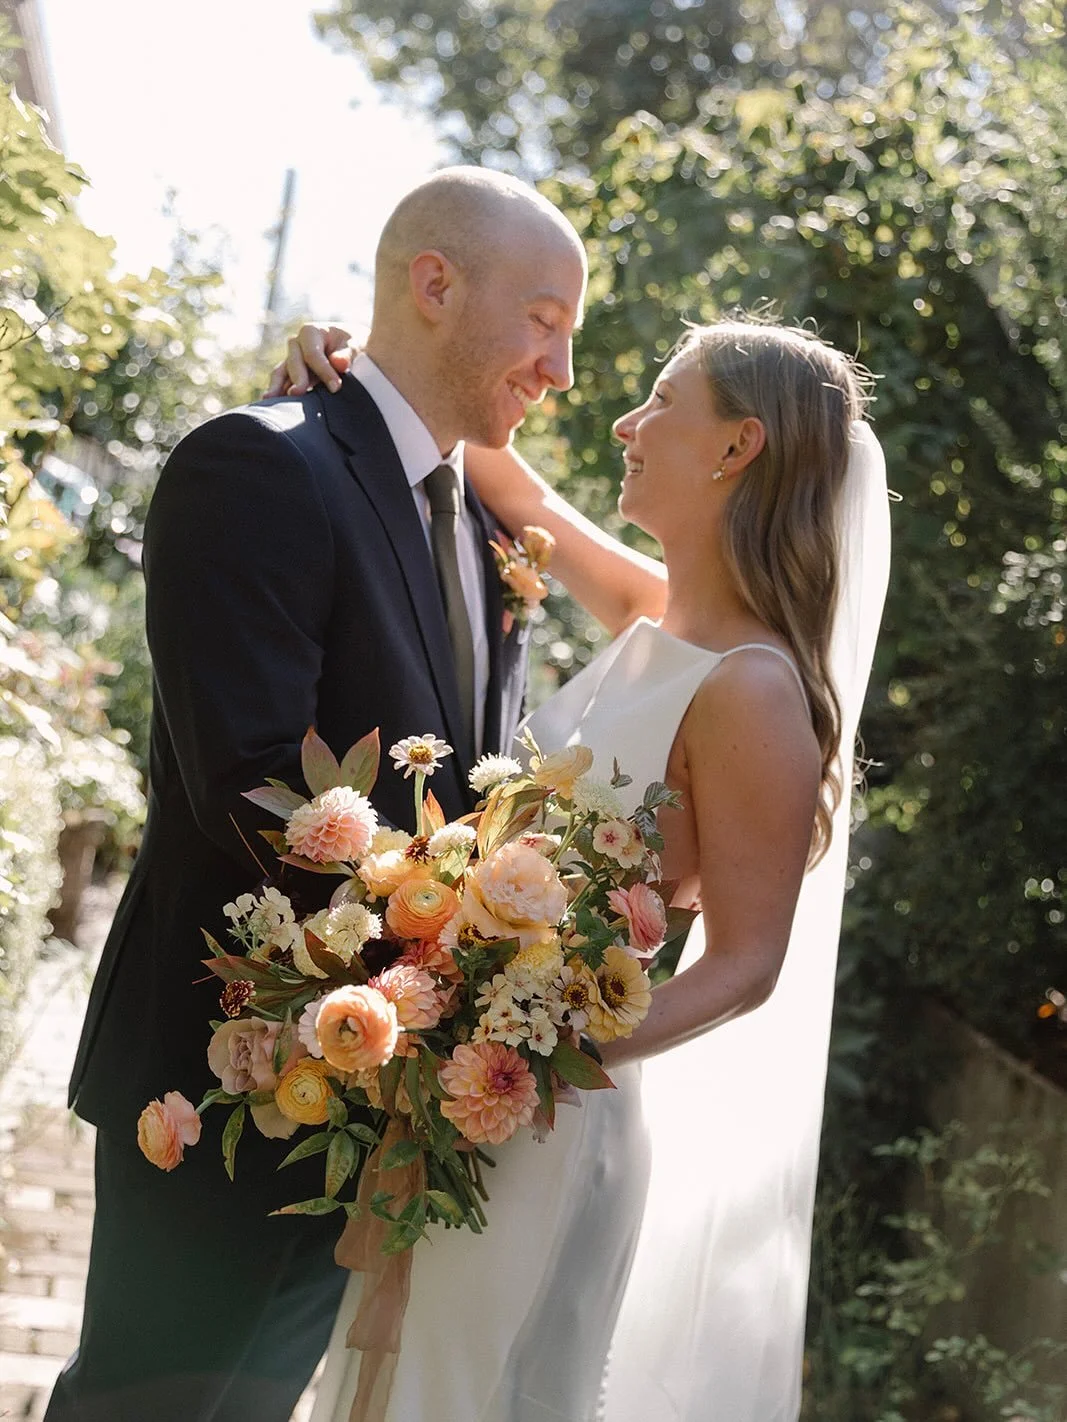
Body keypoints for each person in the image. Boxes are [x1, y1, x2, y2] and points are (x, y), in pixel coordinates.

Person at [45, 167, 587, 1422]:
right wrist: (448, 956)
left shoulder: (484, 522)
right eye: (544, 320)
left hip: (373, 1092)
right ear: (434, 285)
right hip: (224, 1059)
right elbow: (247, 773)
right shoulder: (262, 464)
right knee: (145, 1403)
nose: (558, 368)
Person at [276, 315, 891, 1421]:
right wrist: (369, 364)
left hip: (552, 1119)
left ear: (735, 447)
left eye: (660, 401)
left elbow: (746, 962)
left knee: (471, 1392)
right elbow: (520, 495)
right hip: (478, 1105)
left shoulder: (752, 687)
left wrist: (526, 1051)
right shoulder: (660, 620)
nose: (624, 421)